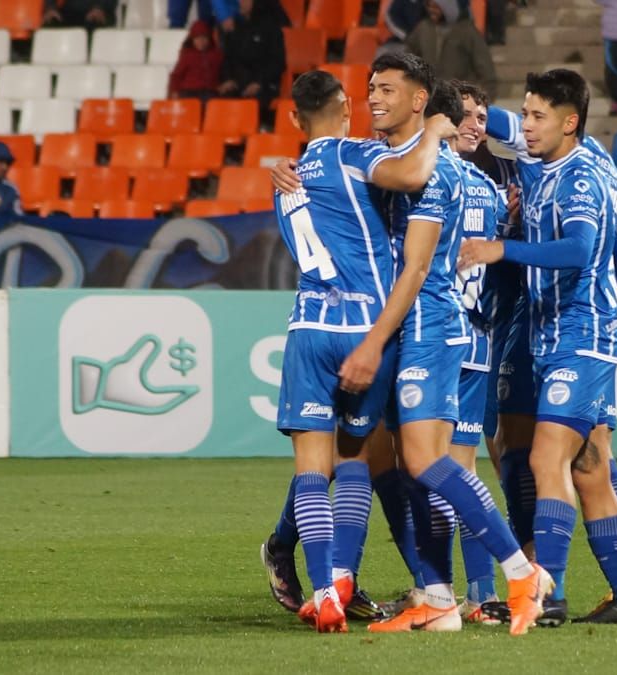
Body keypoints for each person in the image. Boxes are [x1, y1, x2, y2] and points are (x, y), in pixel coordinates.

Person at [333, 53, 550, 636]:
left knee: (428, 461)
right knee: (410, 465)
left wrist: (373, 343)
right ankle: (436, 598)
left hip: (429, 327)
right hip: (421, 328)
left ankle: (522, 573)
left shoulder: (434, 171)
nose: (374, 98)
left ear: (419, 101)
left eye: (388, 89)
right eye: (370, 88)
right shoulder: (406, 161)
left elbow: (418, 265)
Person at [259, 69, 455, 633]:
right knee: (355, 463)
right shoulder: (353, 154)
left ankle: (325, 592)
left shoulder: (287, 178)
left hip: (307, 328)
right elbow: (414, 171)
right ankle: (371, 580)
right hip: (367, 328)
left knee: (310, 473)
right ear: (347, 106)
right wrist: (436, 132)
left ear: (295, 119)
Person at [459, 69, 617, 624]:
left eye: (537, 116)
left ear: (570, 122)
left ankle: (550, 592)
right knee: (588, 467)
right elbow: (487, 119)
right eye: (526, 113)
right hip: (554, 334)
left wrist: (503, 249)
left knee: (546, 458)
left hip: (579, 336)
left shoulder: (583, 177)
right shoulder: (548, 160)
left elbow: (581, 249)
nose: (527, 126)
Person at [448, 81, 509, 622]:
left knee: (442, 470)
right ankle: (477, 592)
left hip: (454, 342)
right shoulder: (488, 188)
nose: (475, 124)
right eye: (465, 114)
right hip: (459, 341)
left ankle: (462, 591)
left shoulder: (483, 187)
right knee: (451, 471)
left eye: (482, 116)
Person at [405, 0, 498, 98]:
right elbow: (408, 60)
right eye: (429, 7)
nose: (431, 10)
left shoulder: (467, 31)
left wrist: (484, 101)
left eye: (436, 7)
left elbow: (486, 70)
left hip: (460, 98)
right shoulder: (423, 28)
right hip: (430, 98)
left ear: (447, 8)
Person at [218, 0, 288, 110]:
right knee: (220, 102)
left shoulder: (270, 26)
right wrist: (228, 79)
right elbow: (227, 59)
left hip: (264, 84)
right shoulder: (232, 26)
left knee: (253, 103)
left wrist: (259, 82)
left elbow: (278, 62)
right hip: (238, 82)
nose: (240, 3)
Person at [168, 20, 223, 100]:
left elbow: (220, 73)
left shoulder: (216, 55)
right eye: (197, 38)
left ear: (209, 39)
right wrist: (174, 91)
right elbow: (176, 75)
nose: (201, 41)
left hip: (210, 92)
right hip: (189, 92)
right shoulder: (187, 55)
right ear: (192, 40)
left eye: (204, 38)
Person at [43, 0, 117, 28]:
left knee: (95, 23)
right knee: (50, 24)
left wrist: (99, 8)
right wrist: (50, 8)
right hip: (70, 13)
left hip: (101, 13)